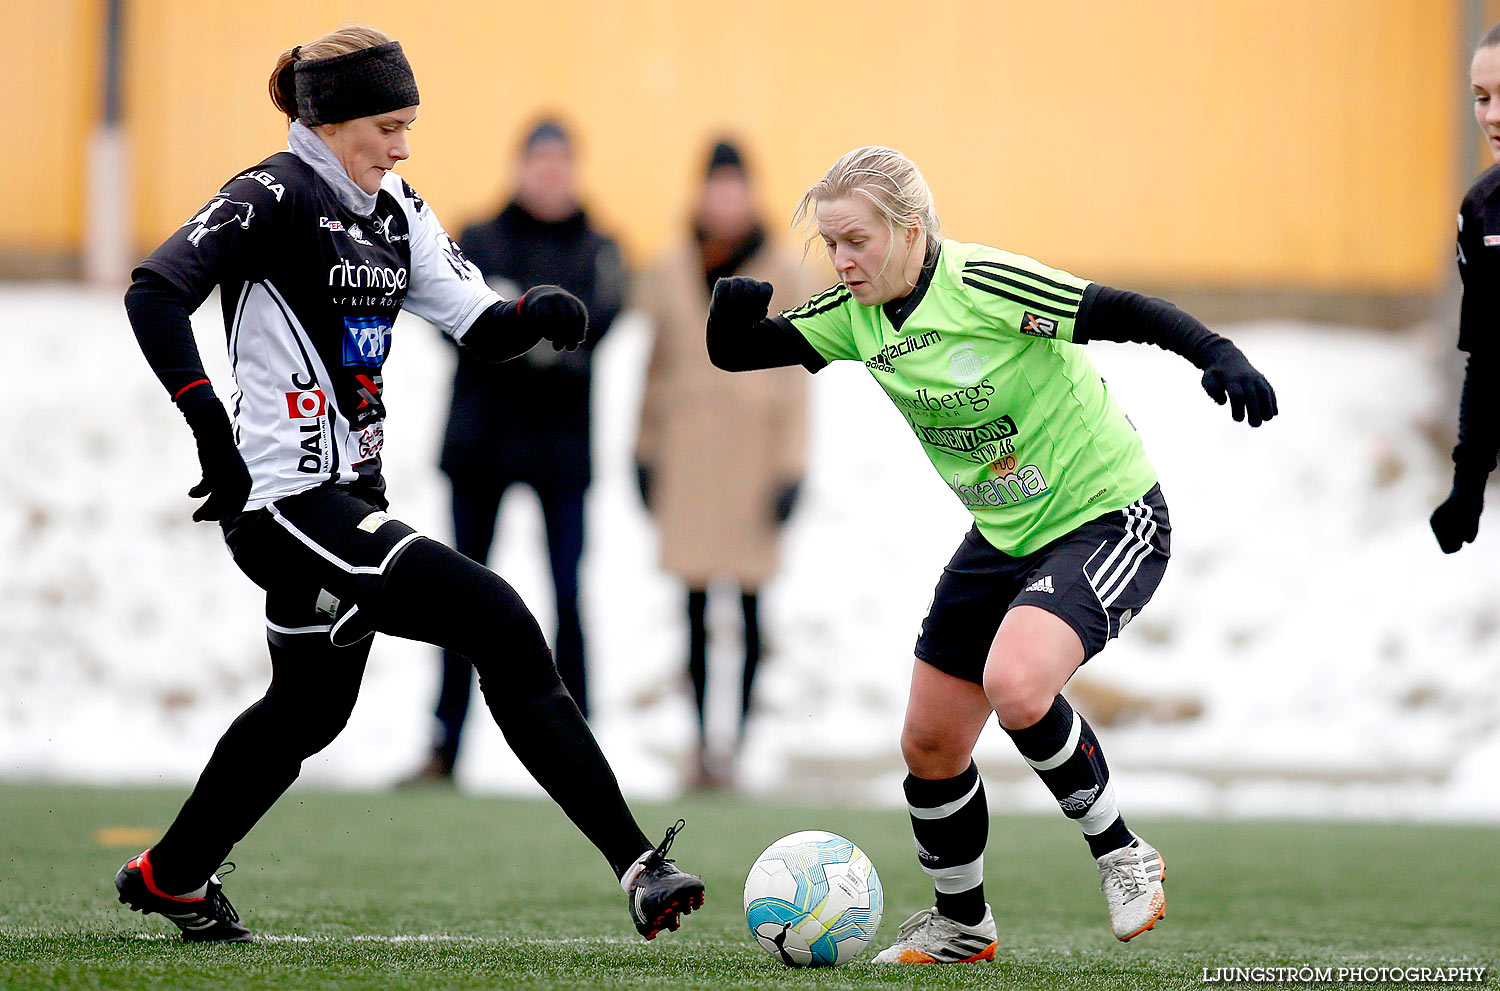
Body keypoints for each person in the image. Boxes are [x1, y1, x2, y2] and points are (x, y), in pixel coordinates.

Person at [113, 25, 702, 944]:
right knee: (498, 618)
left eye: (409, 125)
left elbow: (474, 319)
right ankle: (638, 864)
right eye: (388, 125)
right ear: (333, 119)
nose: (402, 145)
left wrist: (530, 314)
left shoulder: (394, 211)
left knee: (308, 707)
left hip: (346, 501)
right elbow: (154, 290)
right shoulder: (272, 193)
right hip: (285, 504)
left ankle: (174, 875)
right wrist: (215, 440)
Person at [707, 145, 1277, 962]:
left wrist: (1216, 353)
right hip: (1003, 534)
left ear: (909, 230)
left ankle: (1123, 852)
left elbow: (1122, 310)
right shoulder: (855, 314)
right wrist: (727, 317)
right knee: (931, 742)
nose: (841, 259)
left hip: (1106, 514)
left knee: (1016, 682)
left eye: (857, 240)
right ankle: (963, 923)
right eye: (830, 243)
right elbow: (742, 351)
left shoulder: (985, 284)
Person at [406, 120, 626, 784]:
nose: (550, 175)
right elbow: (455, 324)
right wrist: (537, 340)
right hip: (480, 444)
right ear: (520, 166)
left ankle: (580, 745)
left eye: (562, 162)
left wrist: (509, 329)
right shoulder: (476, 238)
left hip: (562, 452)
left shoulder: (600, 248)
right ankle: (445, 744)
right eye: (540, 162)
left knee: (567, 594)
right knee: (459, 599)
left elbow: (598, 331)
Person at [635, 141, 812, 788]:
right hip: (688, 454)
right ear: (701, 194)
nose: (725, 201)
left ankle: (736, 745)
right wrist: (642, 452)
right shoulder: (670, 267)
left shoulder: (780, 270)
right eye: (716, 187)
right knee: (692, 603)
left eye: (736, 188)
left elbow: (798, 374)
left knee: (750, 606)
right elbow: (653, 370)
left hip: (753, 457)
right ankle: (701, 745)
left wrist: (793, 467)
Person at [1432, 22, 1500, 555]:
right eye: (1481, 98)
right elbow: (1488, 358)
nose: (1492, 116)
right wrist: (1468, 484)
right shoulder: (1480, 210)